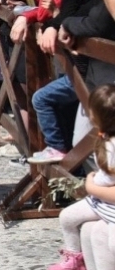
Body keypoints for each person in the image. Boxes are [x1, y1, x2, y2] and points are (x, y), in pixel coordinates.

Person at [49, 84, 115, 270]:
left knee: (109, 242)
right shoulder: (105, 139)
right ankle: (74, 259)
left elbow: (109, 179)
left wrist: (91, 183)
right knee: (71, 219)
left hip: (108, 203)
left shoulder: (112, 146)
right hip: (102, 200)